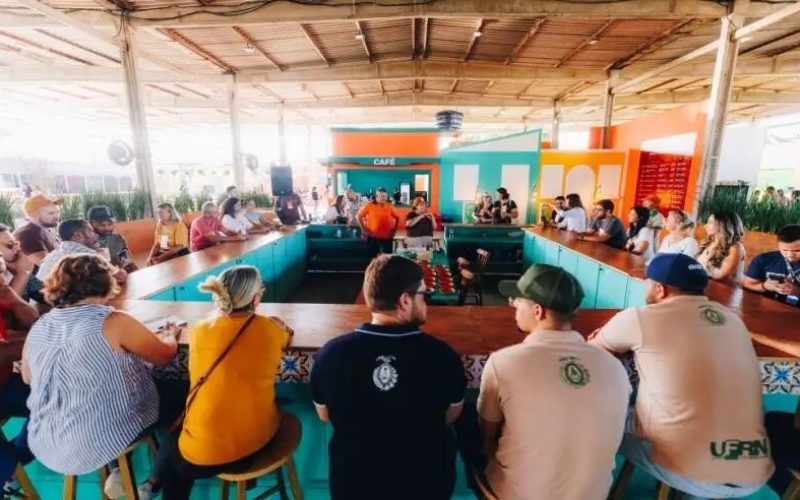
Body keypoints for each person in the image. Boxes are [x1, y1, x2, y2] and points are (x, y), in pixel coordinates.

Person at [589, 253, 773, 498]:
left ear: (660, 289)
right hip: (754, 471)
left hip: (689, 471)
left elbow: (593, 352)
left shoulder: (640, 318)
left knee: (594, 420)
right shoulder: (733, 320)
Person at [461, 264, 630, 500]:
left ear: (538, 311)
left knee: (465, 426)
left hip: (518, 495)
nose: (513, 305)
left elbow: (487, 432)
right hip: (594, 494)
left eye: (517, 301)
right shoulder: (614, 367)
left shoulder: (504, 362)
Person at [310, 255, 466, 500]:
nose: (427, 302)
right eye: (424, 295)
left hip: (354, 483)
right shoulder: (442, 357)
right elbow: (450, 415)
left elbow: (325, 414)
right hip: (423, 484)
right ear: (404, 300)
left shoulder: (329, 354)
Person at [22, 254, 179, 490]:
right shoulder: (114, 321)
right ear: (106, 282)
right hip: (95, 441)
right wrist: (169, 338)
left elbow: (27, 377)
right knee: (183, 394)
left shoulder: (42, 325)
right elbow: (164, 356)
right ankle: (159, 477)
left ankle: (119, 469)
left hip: (46, 441)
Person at [140, 265, 293, 499]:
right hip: (255, 444)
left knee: (177, 440)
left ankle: (155, 482)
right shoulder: (269, 330)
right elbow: (286, 335)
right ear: (255, 298)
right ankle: (247, 482)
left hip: (197, 459)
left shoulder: (199, 329)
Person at [0, 253, 39, 497]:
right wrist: (50, 335)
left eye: (1, 272)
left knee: (57, 403)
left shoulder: (2, 295)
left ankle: (15, 462)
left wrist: (9, 294)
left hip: (4, 385)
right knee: (2, 462)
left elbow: (31, 321)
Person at [36, 219, 127, 285]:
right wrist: (121, 271)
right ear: (78, 235)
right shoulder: (87, 253)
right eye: (91, 232)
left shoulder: (57, 251)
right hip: (59, 301)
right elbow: (120, 278)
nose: (96, 235)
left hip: (42, 297)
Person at [743, 224, 800, 302]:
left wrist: (797, 293)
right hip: (766, 307)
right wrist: (764, 286)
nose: (790, 255)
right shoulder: (763, 260)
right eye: (784, 250)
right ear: (778, 246)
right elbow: (747, 284)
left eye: (797, 250)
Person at [695, 211, 746, 283]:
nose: (705, 226)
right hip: (704, 284)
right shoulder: (709, 242)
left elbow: (720, 276)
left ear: (722, 225)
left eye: (710, 222)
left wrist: (709, 256)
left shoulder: (736, 247)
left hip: (726, 290)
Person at [13, 194, 61, 267]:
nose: (57, 216)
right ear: (34, 214)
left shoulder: (44, 229)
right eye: (51, 213)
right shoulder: (28, 234)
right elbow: (47, 266)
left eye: (57, 212)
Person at [88, 205, 138, 273]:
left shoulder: (118, 238)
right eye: (102, 225)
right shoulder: (86, 242)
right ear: (91, 223)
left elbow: (124, 258)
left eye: (110, 224)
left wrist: (127, 264)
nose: (107, 228)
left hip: (119, 275)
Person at [357, 187, 400, 255]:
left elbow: (398, 217)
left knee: (387, 259)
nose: (384, 198)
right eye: (382, 196)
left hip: (387, 238)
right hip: (373, 238)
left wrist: (394, 230)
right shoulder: (369, 205)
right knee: (372, 259)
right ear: (376, 196)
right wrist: (364, 230)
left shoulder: (389, 205)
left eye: (385, 196)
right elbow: (358, 216)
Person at [0, 225, 35, 298]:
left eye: (16, 243)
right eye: (10, 244)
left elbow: (50, 296)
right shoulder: (20, 270)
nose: (18, 248)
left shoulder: (13, 267)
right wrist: (22, 274)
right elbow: (4, 307)